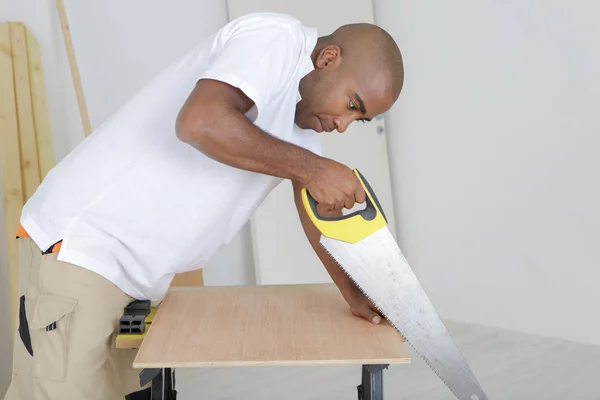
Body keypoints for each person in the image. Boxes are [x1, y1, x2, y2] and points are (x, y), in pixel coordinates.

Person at [4, 11, 404, 400]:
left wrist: (353, 292)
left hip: (135, 279)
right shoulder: (276, 38)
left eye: (360, 119)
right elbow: (200, 121)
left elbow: (313, 205)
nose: (344, 125)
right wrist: (314, 170)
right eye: (353, 104)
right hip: (82, 254)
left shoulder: (300, 128)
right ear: (328, 58)